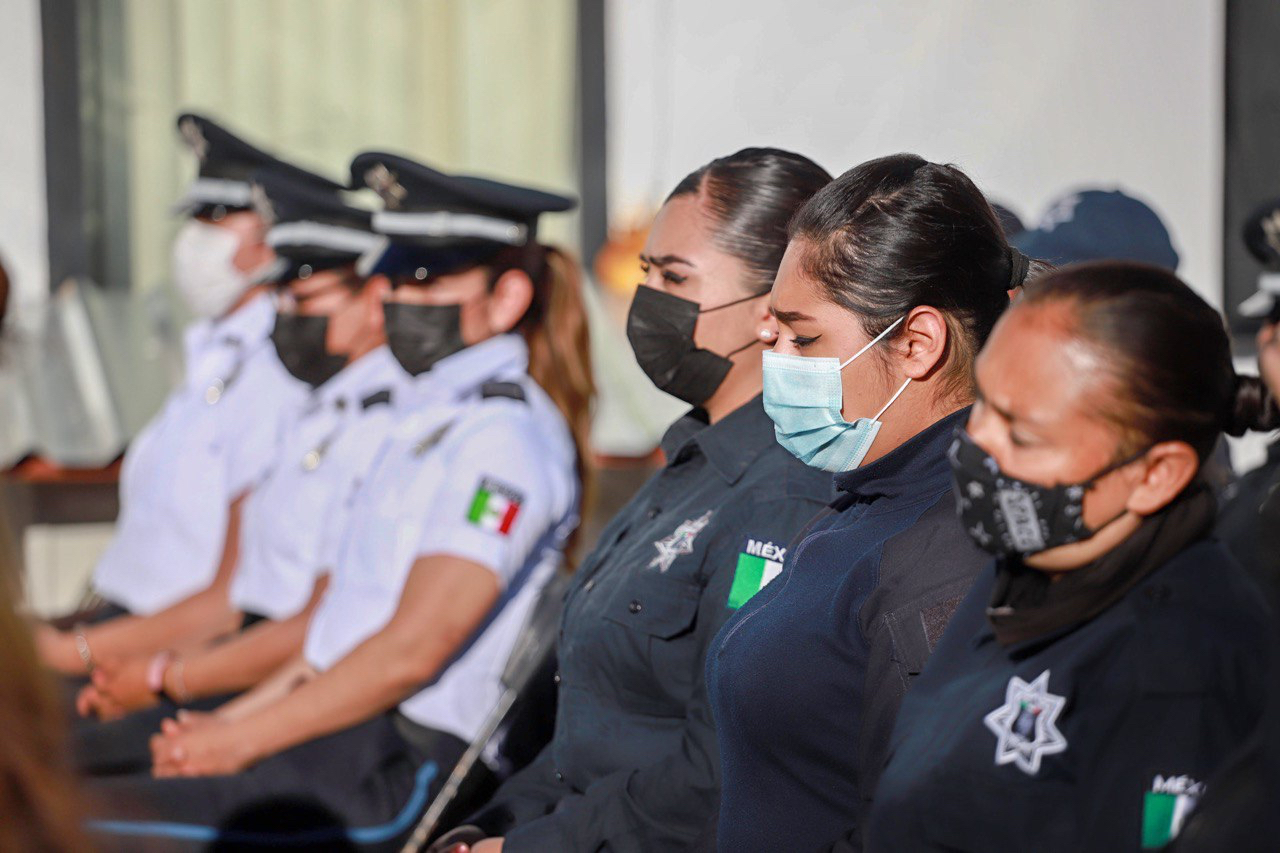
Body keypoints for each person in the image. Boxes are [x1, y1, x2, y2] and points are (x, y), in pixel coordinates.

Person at [87, 154, 592, 846]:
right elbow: (335, 632)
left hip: (388, 762)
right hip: (331, 730)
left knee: (67, 825)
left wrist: (239, 739)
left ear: (505, 298)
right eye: (396, 274)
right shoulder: (428, 422)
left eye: (429, 277)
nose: (400, 296)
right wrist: (228, 727)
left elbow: (412, 650)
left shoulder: (502, 438)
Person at [431, 148, 838, 853]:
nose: (646, 300)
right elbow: (581, 731)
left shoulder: (786, 491)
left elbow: (720, 775)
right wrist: (484, 829)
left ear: (772, 306)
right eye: (645, 272)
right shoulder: (690, 460)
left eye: (674, 276)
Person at [865, 261, 1276, 852]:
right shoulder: (1031, 566)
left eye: (1024, 435)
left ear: (1156, 474)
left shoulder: (1181, 668)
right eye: (985, 405)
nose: (979, 444)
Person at [707, 153, 1032, 852]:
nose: (775, 353)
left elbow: (926, 821)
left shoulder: (950, 545)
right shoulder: (871, 497)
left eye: (805, 336)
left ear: (917, 343)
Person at [68, 166, 406, 772]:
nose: (282, 315)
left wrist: (166, 682)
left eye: (301, 298)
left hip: (288, 699)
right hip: (230, 668)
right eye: (279, 296)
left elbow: (320, 628)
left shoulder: (386, 424)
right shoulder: (319, 408)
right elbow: (238, 597)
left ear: (374, 300)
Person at [36, 115, 328, 672]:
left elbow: (230, 598)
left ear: (275, 235)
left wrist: (69, 653)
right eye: (196, 214)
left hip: (174, 654)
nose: (198, 234)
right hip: (119, 628)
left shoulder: (280, 368)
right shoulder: (213, 355)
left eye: (220, 216)